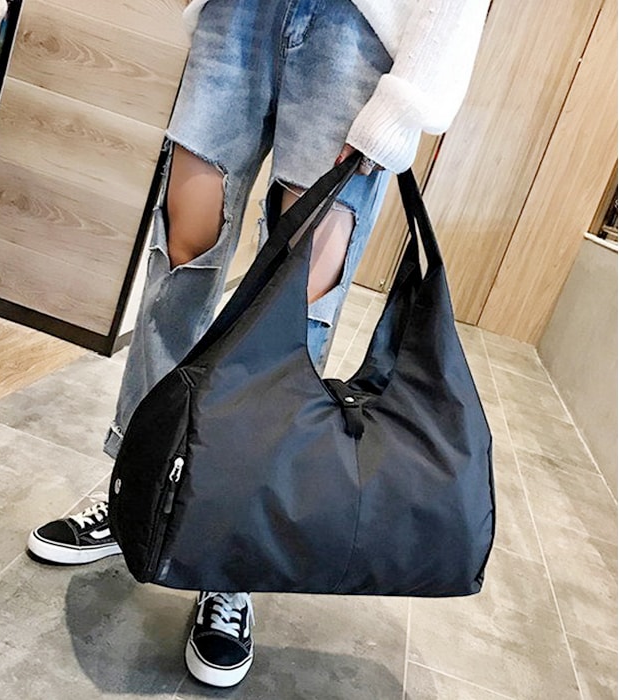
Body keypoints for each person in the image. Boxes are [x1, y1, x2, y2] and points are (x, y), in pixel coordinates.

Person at [27, 0, 488, 688]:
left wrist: (408, 100)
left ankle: (232, 549)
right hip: (238, 13)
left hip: (355, 33)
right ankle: (135, 489)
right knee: (181, 257)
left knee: (296, 304)